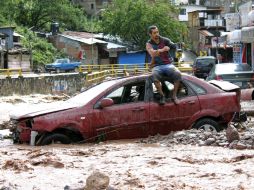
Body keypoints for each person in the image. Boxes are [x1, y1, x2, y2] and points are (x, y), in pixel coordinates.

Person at [146, 25, 182, 105]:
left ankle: (174, 96)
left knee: (178, 74)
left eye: (157, 32)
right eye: (154, 33)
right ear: (150, 34)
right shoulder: (149, 44)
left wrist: (172, 47)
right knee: (154, 76)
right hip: (157, 66)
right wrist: (162, 50)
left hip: (168, 64)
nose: (157, 34)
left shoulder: (165, 40)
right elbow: (153, 53)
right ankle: (162, 96)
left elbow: (174, 46)